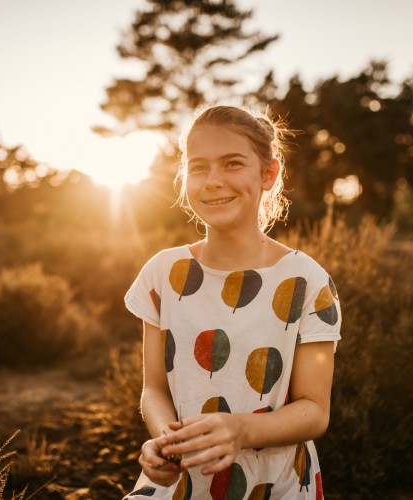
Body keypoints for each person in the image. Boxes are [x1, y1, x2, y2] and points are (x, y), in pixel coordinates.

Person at [123, 105, 341, 499]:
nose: (213, 181)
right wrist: (164, 444)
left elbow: (314, 409)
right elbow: (153, 389)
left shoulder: (307, 281)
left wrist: (241, 430)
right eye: (199, 166)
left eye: (233, 163)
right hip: (183, 483)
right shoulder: (161, 274)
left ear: (268, 175)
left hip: (275, 484)